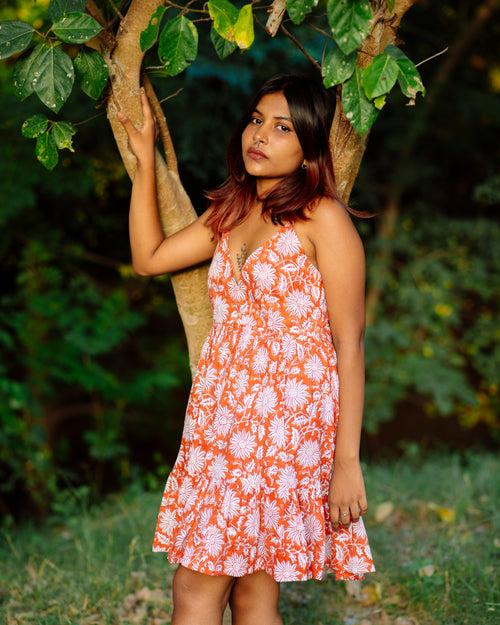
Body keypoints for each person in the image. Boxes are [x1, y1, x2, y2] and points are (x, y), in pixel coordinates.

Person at [118, 72, 376, 625]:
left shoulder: (322, 218)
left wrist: (346, 462)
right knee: (253, 592)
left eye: (282, 128)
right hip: (221, 418)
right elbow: (149, 259)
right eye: (257, 120)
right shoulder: (231, 211)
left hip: (282, 426)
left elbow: (349, 343)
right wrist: (145, 162)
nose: (260, 135)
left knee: (195, 586)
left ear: (308, 145)